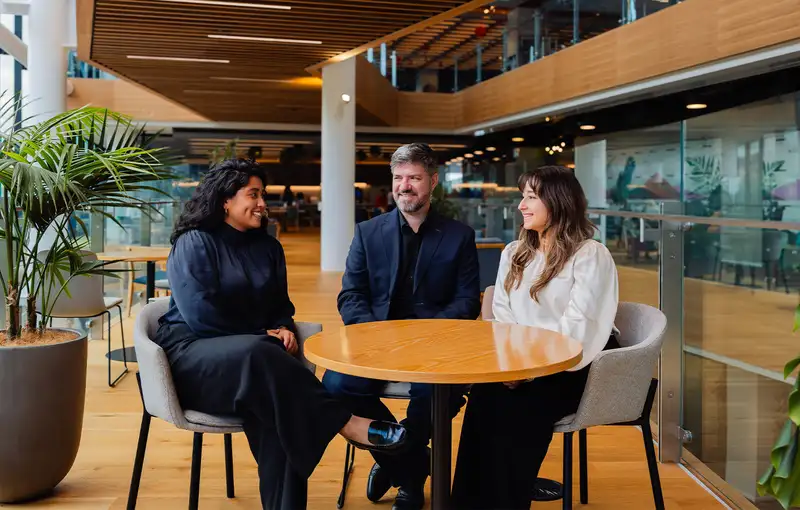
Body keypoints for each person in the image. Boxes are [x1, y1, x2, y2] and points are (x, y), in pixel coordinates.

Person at [154, 159, 407, 510]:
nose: (262, 203)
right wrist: (263, 334)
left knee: (281, 412)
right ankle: (345, 421)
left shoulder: (268, 248)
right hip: (194, 360)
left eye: (263, 194)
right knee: (263, 357)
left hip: (256, 371)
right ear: (225, 200)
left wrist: (285, 329)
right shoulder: (195, 242)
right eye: (253, 194)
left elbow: (279, 308)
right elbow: (202, 317)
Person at [322, 143, 481, 510]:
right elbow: (351, 296)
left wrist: (423, 338)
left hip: (437, 348)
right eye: (398, 178)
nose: (404, 186)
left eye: (414, 178)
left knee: (435, 397)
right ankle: (410, 466)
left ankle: (402, 470)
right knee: (334, 387)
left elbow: (466, 302)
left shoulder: (459, 236)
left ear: (433, 182)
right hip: (376, 343)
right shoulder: (367, 232)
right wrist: (378, 334)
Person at [451, 165, 620, 510]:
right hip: (520, 360)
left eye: (531, 197)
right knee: (485, 396)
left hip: (574, 364)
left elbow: (580, 325)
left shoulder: (590, 254)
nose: (521, 206)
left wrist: (531, 369)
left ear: (557, 202)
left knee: (519, 407)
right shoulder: (515, 252)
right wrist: (512, 365)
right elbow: (501, 314)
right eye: (522, 197)